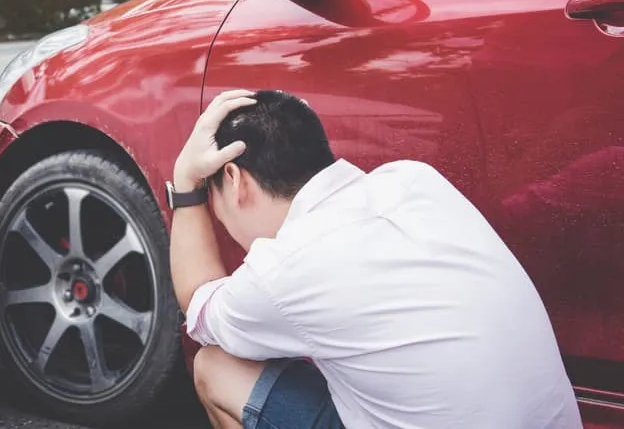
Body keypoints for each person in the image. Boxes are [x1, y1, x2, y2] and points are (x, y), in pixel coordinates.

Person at [168, 89, 583, 429]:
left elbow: (199, 304)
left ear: (234, 178)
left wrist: (186, 183)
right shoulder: (416, 179)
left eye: (211, 197)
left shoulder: (284, 269)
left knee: (215, 367)